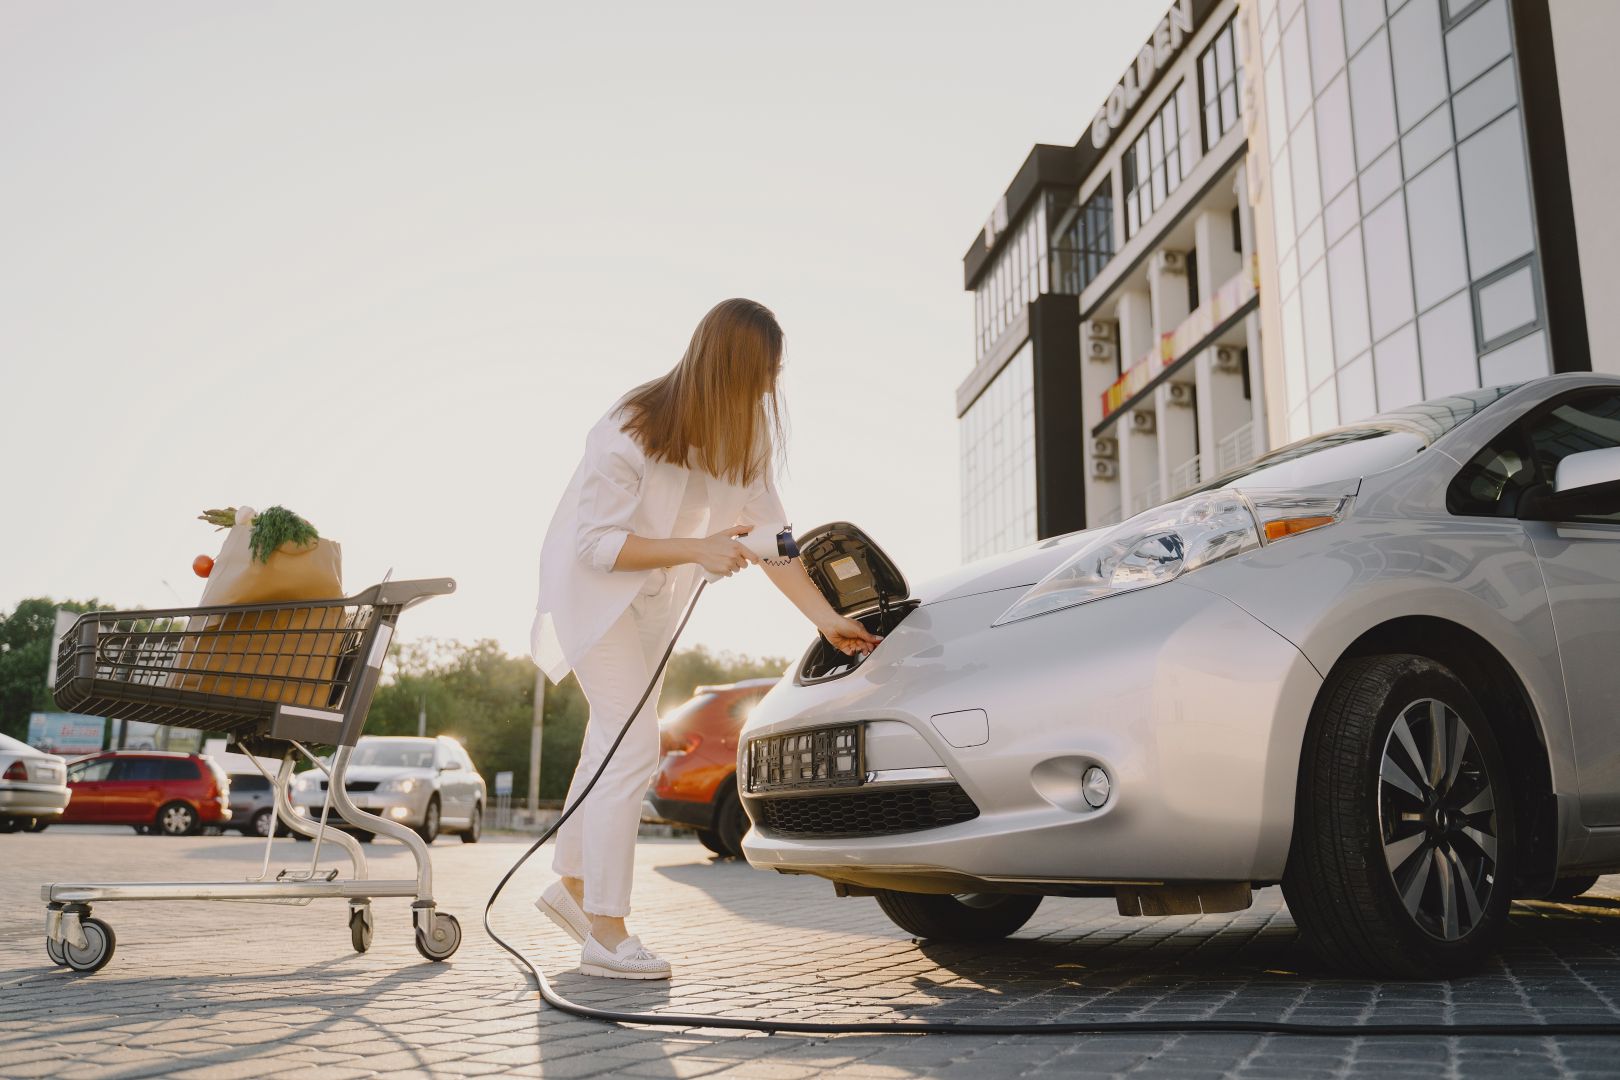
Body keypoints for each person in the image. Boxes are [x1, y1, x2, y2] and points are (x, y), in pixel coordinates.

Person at [529, 298, 882, 980]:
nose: (771, 388)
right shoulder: (628, 428)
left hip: (654, 602)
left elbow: (776, 542)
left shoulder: (747, 440)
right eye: (763, 372)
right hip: (594, 595)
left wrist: (824, 618)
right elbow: (599, 546)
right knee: (631, 743)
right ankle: (606, 929)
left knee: (610, 740)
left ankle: (571, 887)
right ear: (731, 367)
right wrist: (696, 548)